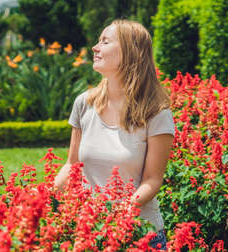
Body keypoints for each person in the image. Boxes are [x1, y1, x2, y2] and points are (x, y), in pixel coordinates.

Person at [54, 19, 175, 250]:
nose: (95, 47)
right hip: (91, 234)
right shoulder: (84, 103)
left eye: (104, 41)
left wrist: (122, 214)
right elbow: (72, 165)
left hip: (139, 235)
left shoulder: (156, 112)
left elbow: (152, 179)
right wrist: (41, 199)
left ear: (130, 53)